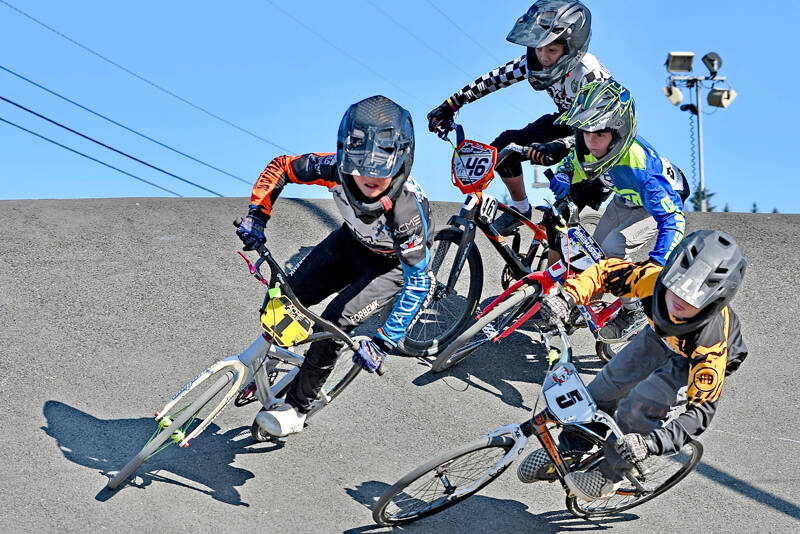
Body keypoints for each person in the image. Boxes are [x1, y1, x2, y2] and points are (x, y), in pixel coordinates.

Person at [236, 95, 435, 437]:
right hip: (350, 242)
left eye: (380, 174)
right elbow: (282, 166)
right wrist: (257, 216)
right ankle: (273, 357)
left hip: (390, 266)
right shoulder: (334, 168)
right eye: (361, 171)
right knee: (286, 295)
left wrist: (384, 342)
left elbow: (419, 282)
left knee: (333, 323)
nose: (369, 179)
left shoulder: (406, 213)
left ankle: (297, 409)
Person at [518, 229, 748, 502]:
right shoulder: (652, 279)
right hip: (660, 336)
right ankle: (571, 448)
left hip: (690, 357)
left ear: (713, 303)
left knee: (640, 406)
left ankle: (608, 477)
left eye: (692, 300)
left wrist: (650, 444)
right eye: (675, 285)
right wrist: (567, 297)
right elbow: (604, 272)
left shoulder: (711, 346)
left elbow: (701, 412)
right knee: (605, 387)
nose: (679, 299)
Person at [427, 0, 611, 234]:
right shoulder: (536, 60)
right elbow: (493, 80)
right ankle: (521, 209)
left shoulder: (590, 74)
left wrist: (560, 145)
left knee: (556, 225)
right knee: (504, 147)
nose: (543, 57)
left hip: (599, 145)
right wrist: (451, 104)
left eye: (552, 50)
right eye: (539, 48)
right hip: (565, 122)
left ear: (571, 49)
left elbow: (600, 130)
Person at [549, 78, 688, 341]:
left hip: (654, 202)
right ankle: (591, 298)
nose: (591, 142)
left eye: (600, 134)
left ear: (617, 134)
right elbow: (571, 162)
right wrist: (564, 175)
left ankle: (634, 309)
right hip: (626, 196)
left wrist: (656, 264)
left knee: (614, 247)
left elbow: (673, 220)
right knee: (595, 253)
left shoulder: (643, 172)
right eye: (586, 132)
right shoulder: (590, 145)